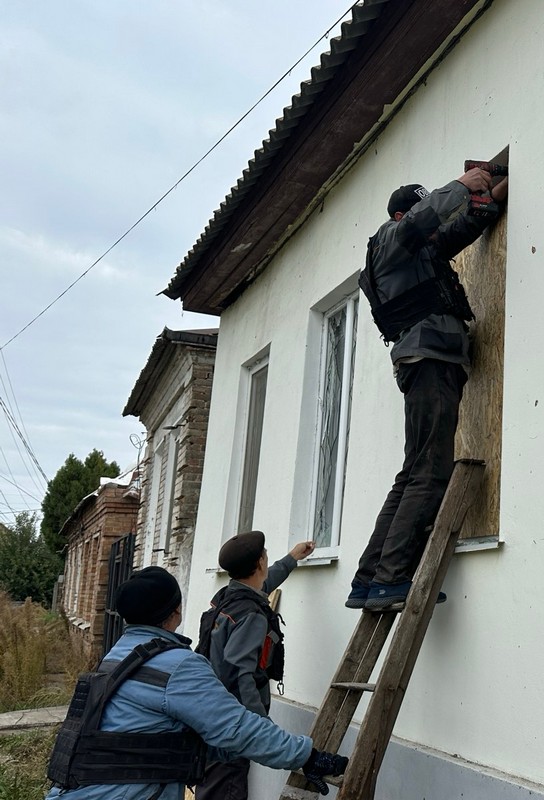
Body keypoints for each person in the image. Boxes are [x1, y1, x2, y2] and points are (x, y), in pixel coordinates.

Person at [349, 165, 508, 611]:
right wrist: (462, 186)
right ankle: (392, 579)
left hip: (428, 360)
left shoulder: (417, 254)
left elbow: (456, 230)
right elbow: (425, 221)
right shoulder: (389, 240)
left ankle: (369, 578)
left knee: (414, 471)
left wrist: (488, 198)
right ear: (402, 215)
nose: (425, 220)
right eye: (417, 211)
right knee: (430, 471)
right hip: (429, 359)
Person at [45, 566, 346, 800]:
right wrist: (307, 756)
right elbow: (236, 728)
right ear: (175, 611)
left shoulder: (118, 656)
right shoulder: (178, 666)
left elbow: (154, 739)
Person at [194, 531, 316, 800]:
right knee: (225, 789)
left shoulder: (229, 596)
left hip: (211, 714)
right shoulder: (251, 615)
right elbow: (240, 677)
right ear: (260, 562)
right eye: (265, 555)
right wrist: (261, 730)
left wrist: (293, 557)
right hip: (233, 725)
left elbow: (264, 584)